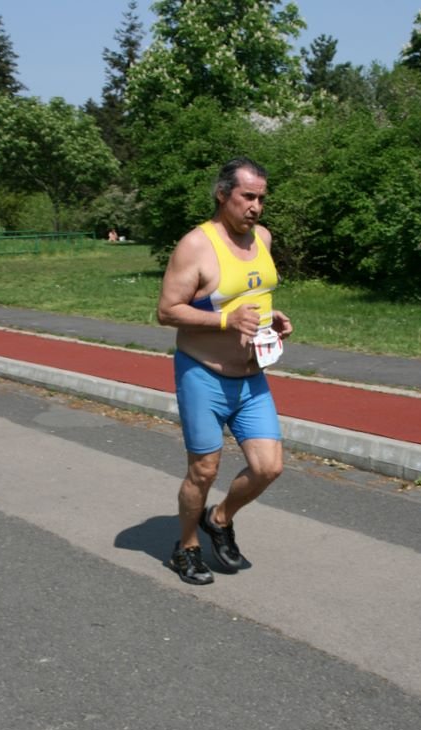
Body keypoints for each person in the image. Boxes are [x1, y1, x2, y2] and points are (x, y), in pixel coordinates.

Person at [157, 157, 293, 585]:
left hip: (252, 376)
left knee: (268, 467)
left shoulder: (263, 239)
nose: (256, 207)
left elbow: (253, 296)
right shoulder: (196, 246)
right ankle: (187, 546)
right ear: (222, 195)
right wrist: (224, 322)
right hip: (203, 374)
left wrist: (274, 320)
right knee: (204, 470)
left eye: (261, 199)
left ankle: (218, 518)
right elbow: (166, 311)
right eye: (247, 197)